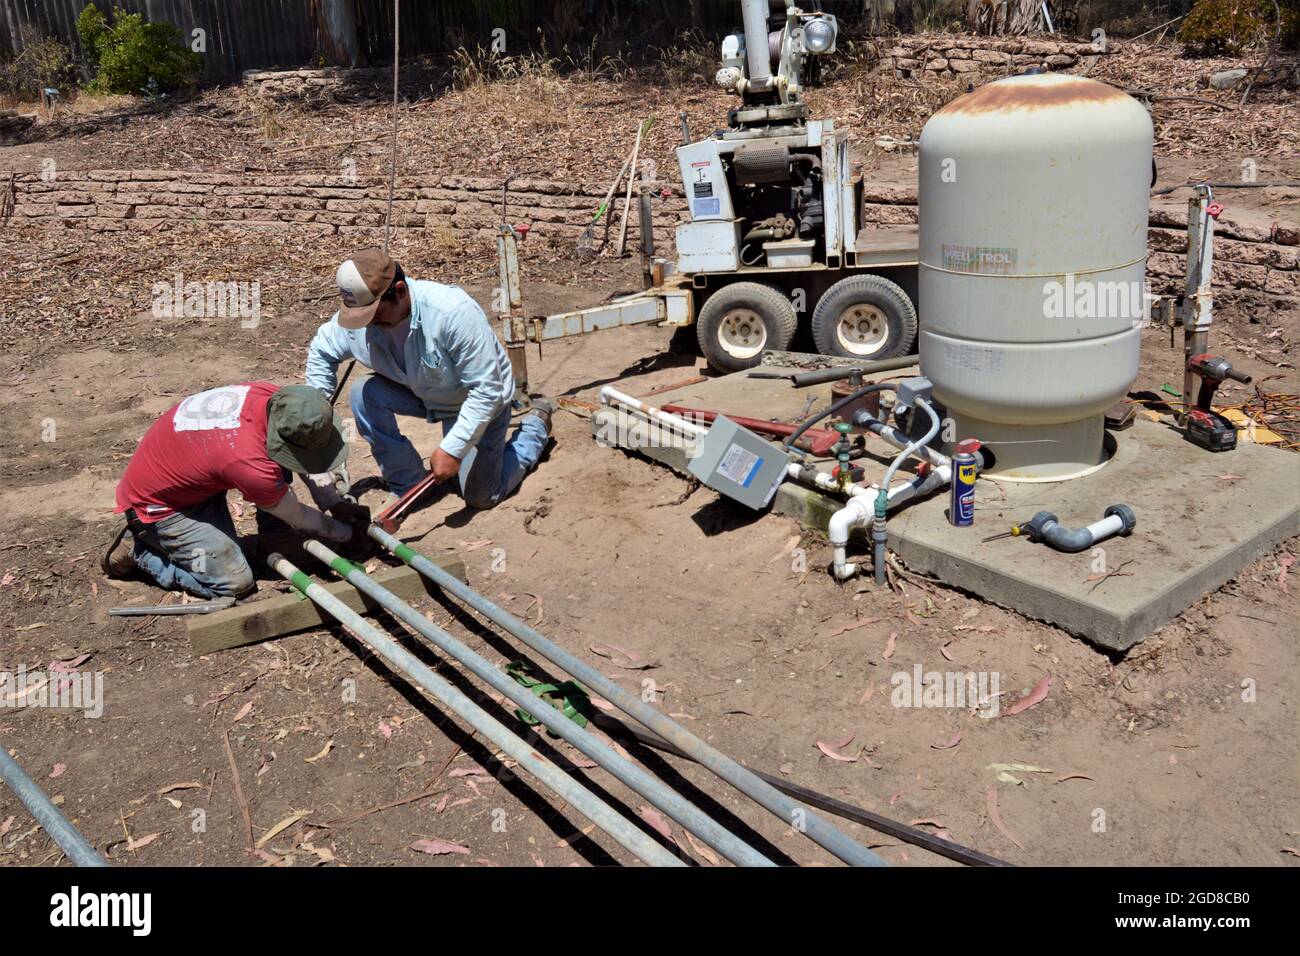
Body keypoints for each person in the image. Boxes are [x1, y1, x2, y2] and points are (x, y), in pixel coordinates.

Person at [305, 248, 552, 509]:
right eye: (362, 317)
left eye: (375, 315)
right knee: (363, 393)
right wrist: (316, 413)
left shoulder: (451, 312)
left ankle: (534, 428)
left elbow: (486, 390)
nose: (369, 324)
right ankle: (408, 483)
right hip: (421, 391)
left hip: (476, 401)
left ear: (400, 291)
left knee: (480, 496)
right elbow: (322, 350)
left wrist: (452, 448)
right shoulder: (361, 323)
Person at [102, 382, 368, 598]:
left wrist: (333, 502)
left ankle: (276, 539)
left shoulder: (273, 398)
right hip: (162, 505)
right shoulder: (248, 461)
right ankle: (142, 551)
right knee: (234, 584)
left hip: (194, 471)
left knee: (274, 465)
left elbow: (309, 455)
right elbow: (297, 514)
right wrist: (347, 534)